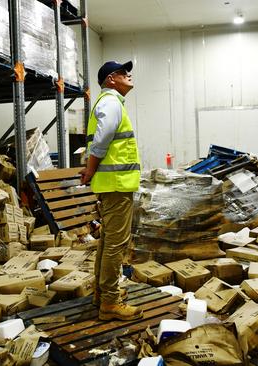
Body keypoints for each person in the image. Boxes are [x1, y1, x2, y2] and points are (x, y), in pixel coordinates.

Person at [80, 60, 143, 321]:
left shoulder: (110, 102)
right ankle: (109, 302)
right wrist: (91, 168)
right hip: (116, 185)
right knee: (116, 244)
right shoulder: (111, 102)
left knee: (108, 242)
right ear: (110, 80)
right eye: (121, 72)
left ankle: (101, 293)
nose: (128, 75)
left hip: (114, 185)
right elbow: (103, 139)